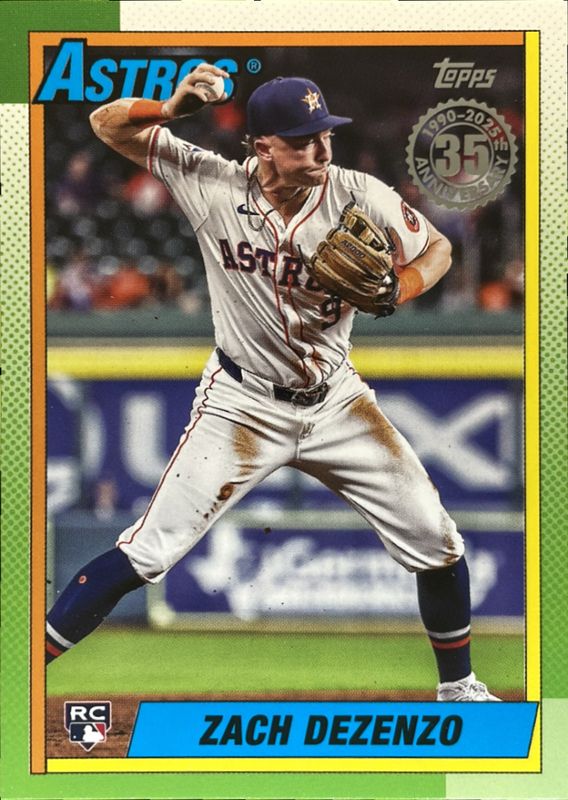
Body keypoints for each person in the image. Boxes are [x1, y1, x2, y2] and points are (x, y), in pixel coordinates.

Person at [46, 63, 499, 702]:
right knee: (146, 552)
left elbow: (439, 252)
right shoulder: (209, 181)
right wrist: (170, 109)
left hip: (336, 401)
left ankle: (460, 688)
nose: (322, 149)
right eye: (304, 140)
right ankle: (19, 673)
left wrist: (401, 286)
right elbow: (105, 124)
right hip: (241, 404)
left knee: (438, 539)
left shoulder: (357, 193)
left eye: (326, 134)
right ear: (263, 146)